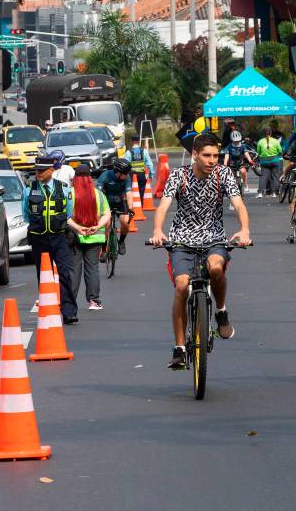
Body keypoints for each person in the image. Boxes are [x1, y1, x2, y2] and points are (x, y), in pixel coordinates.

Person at [150, 132, 251, 369]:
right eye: (207, 155)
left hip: (213, 238)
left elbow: (238, 204)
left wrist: (245, 229)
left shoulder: (224, 175)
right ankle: (179, 348)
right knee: (182, 286)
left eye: (216, 155)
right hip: (181, 242)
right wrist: (157, 230)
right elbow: (163, 206)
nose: (212, 160)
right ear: (195, 155)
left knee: (216, 268)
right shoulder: (178, 176)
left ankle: (221, 311)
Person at [21, 155, 78, 324]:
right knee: (43, 276)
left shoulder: (64, 189)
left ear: (51, 171)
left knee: (66, 274)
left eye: (41, 170)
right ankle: (48, 309)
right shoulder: (29, 190)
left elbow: (68, 213)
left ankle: (69, 312)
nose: (38, 173)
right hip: (39, 239)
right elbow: (26, 214)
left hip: (59, 237)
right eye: (36, 170)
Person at [67, 164, 111, 311]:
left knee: (74, 270)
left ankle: (70, 301)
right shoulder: (98, 194)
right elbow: (107, 214)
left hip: (75, 237)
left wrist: (79, 228)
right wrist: (97, 227)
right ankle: (94, 301)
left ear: (75, 179)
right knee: (92, 269)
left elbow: (65, 217)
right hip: (95, 238)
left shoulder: (70, 194)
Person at [96, 158, 133, 256]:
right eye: (125, 173)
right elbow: (98, 194)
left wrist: (130, 209)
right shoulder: (105, 176)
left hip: (120, 202)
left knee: (125, 222)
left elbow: (129, 194)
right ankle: (103, 249)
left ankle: (121, 241)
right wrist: (99, 209)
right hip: (106, 203)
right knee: (106, 224)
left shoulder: (127, 178)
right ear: (118, 172)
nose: (127, 175)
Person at [124, 136, 155, 203]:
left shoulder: (128, 152)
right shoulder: (144, 151)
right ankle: (140, 204)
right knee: (141, 190)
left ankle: (132, 204)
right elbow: (150, 164)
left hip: (132, 175)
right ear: (139, 141)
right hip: (142, 174)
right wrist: (151, 174)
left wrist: (124, 176)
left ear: (132, 141)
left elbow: (125, 165)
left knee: (131, 190)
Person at [255, 126, 283, 197]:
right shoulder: (275, 141)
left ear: (264, 133)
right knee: (275, 176)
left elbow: (258, 152)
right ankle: (274, 193)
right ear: (271, 133)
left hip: (264, 162)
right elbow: (280, 151)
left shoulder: (260, 142)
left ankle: (260, 193)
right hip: (274, 161)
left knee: (263, 177)